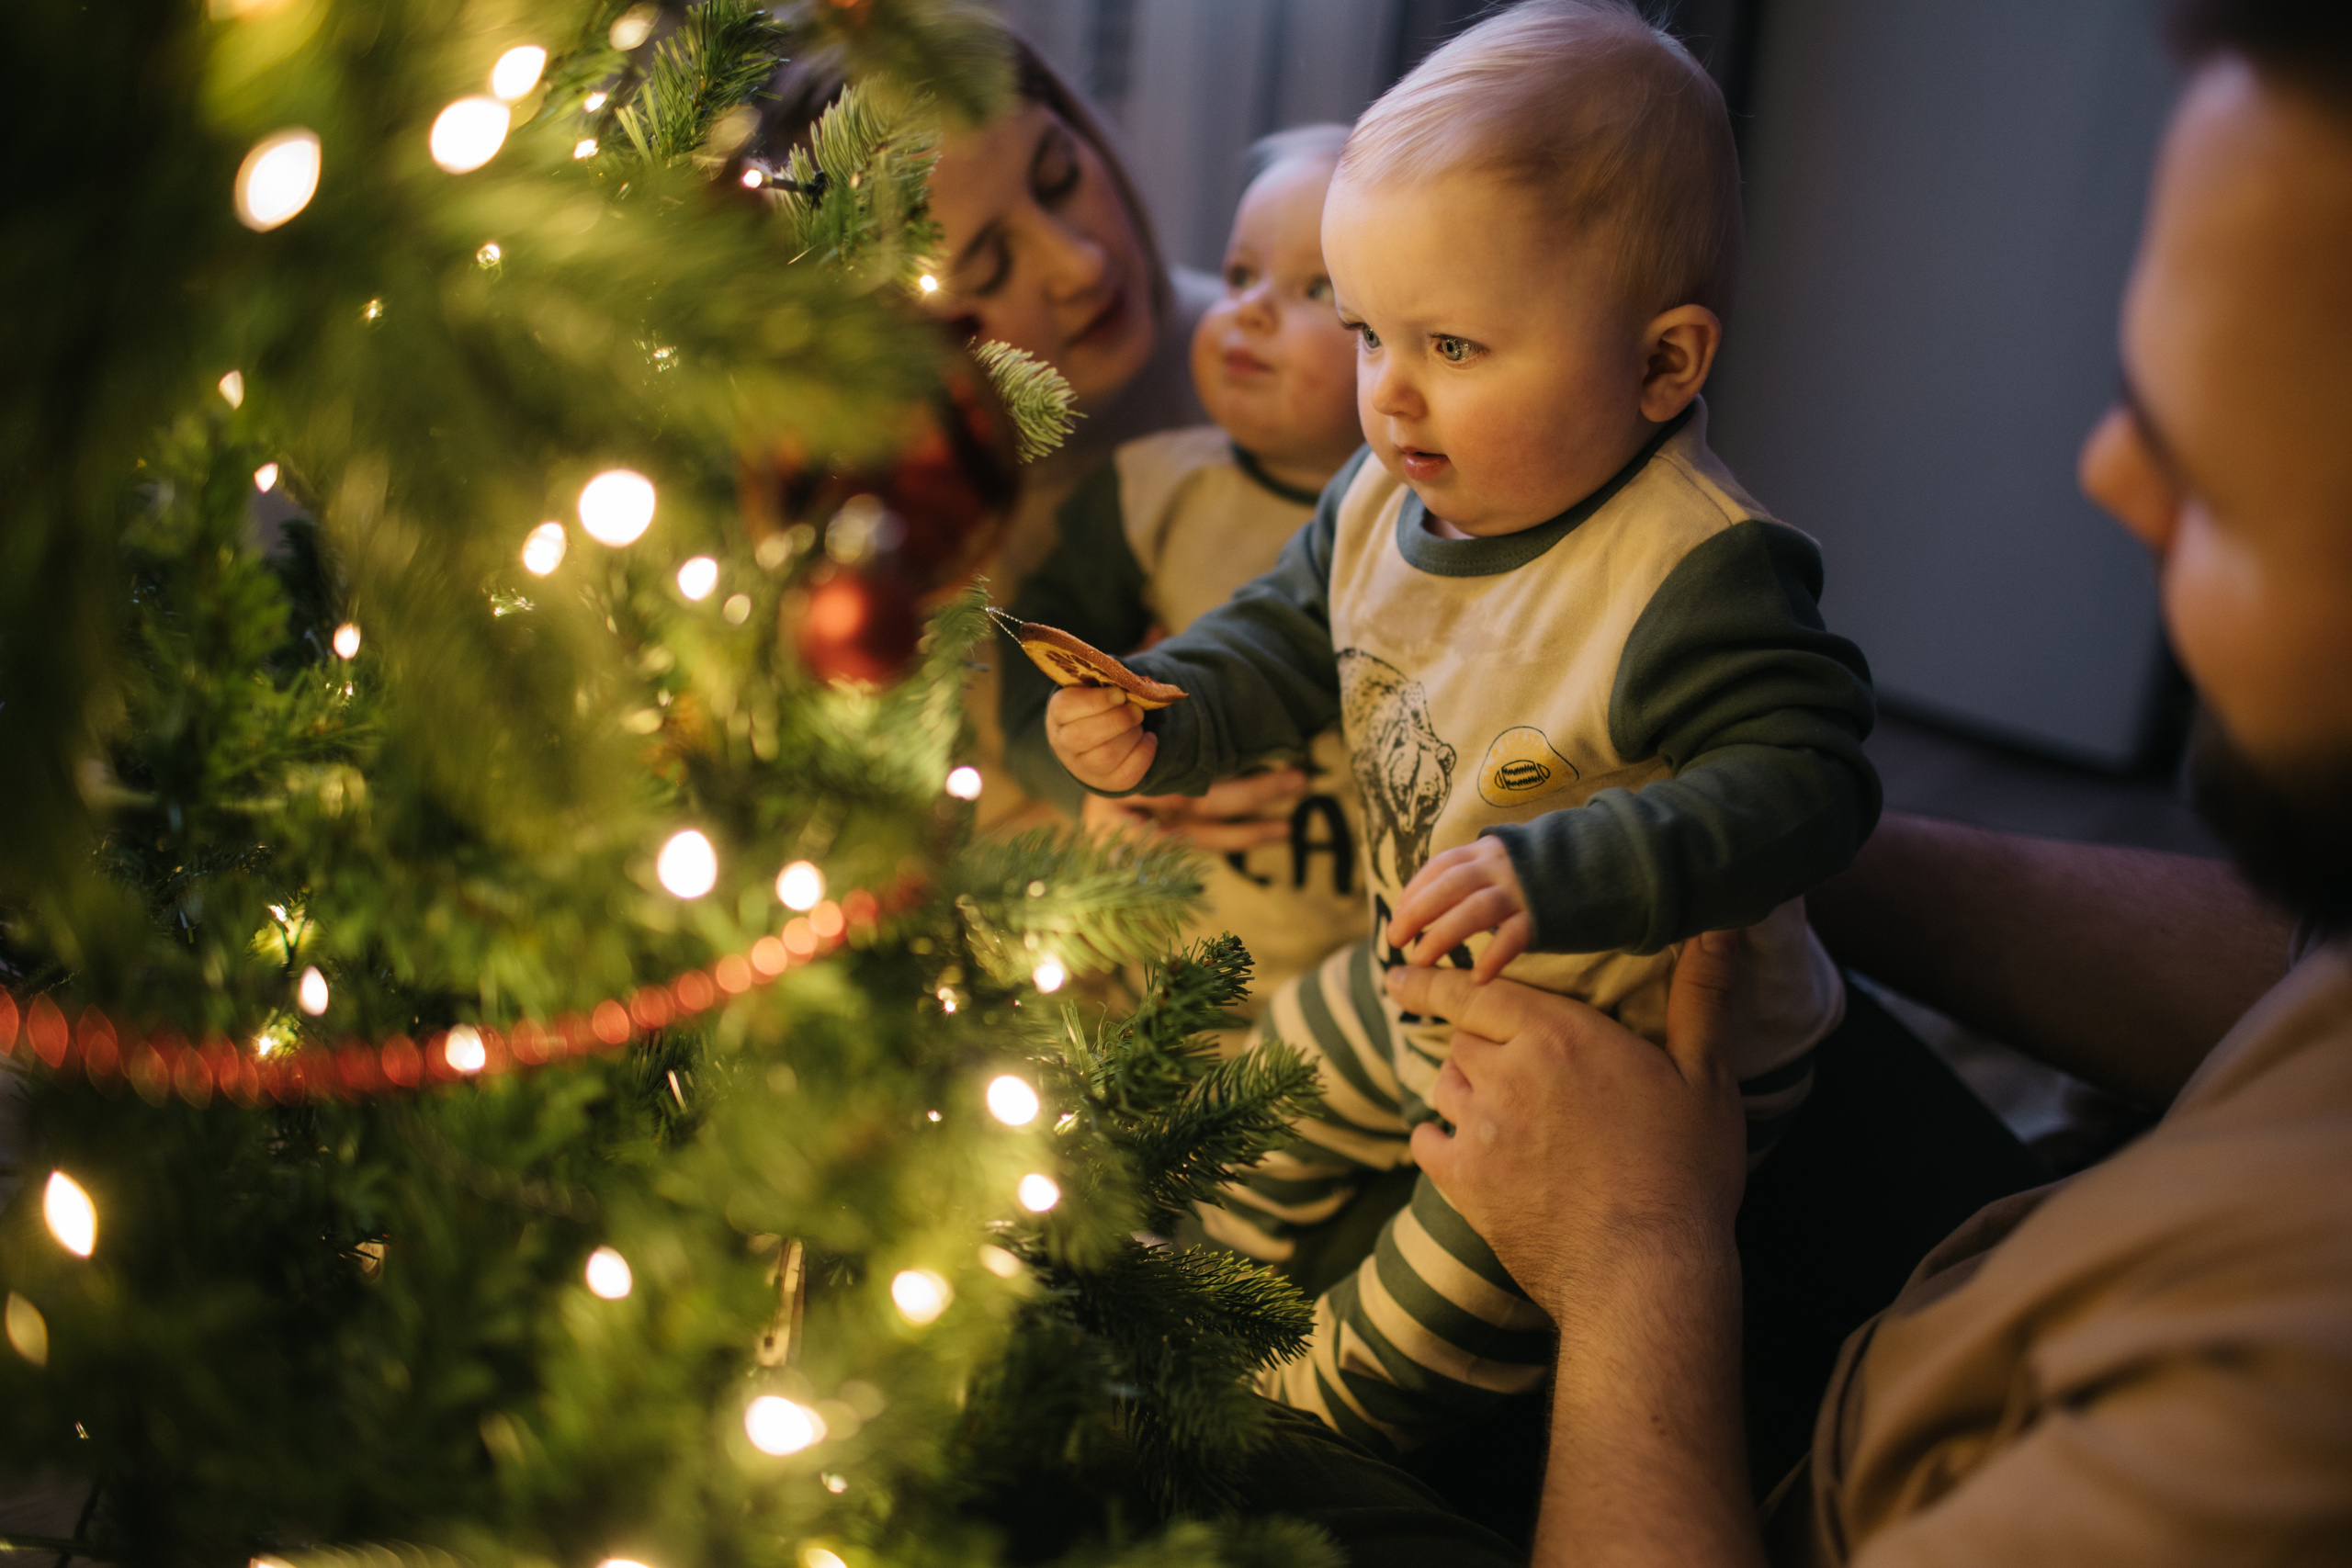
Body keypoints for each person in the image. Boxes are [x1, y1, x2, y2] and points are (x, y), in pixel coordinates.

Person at [1392, 0, 2352, 1560]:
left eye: (2229, 487)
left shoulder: (2260, 1432)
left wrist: (1640, 1259)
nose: (2108, 478)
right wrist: (1733, 833)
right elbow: (2306, 977)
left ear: (1666, 362)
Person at [1022, 0, 1878, 1456]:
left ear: (1665, 366)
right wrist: (1169, 715)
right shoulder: (1382, 493)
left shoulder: (1692, 570)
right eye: (1367, 331)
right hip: (1425, 968)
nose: (1388, 392)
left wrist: (1568, 867)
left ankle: (1281, 1421)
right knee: (1260, 1089)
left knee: (1429, 1306)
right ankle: (1201, 1285)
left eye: (1456, 344)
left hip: (1614, 1055)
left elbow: (1814, 779)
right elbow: (1289, 634)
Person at [1001, 124, 1372, 1021]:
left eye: (1314, 290)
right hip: (1158, 975)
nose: (1246, 310)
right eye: (1240, 275)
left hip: (1352, 987)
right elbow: (1025, 653)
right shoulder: (1149, 490)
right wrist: (1083, 777)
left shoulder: (1417, 519)